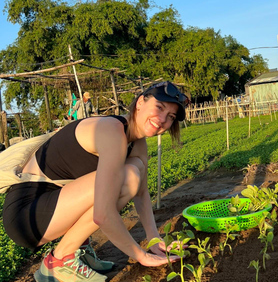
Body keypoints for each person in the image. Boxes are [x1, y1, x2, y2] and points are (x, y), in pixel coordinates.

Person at [2, 81, 188, 281]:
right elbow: (103, 214)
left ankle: (77, 248)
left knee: (135, 172)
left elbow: (141, 193)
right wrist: (141, 255)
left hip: (54, 203)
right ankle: (59, 261)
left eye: (170, 117)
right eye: (159, 107)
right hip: (26, 214)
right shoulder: (111, 130)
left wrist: (154, 240)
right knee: (128, 177)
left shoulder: (137, 141)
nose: (162, 120)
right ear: (141, 102)